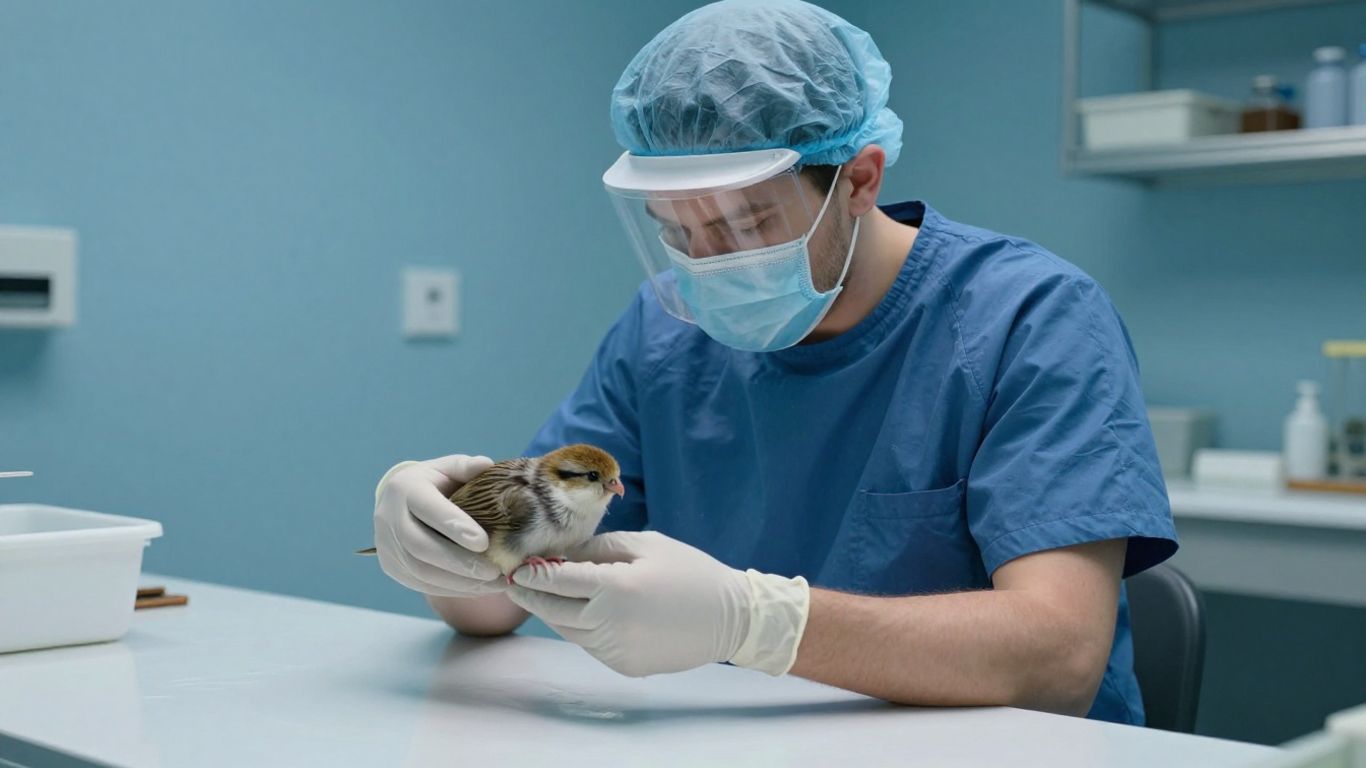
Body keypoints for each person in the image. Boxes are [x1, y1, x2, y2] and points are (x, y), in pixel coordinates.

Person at [371, 0, 1176, 725]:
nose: (707, 263)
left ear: (859, 179)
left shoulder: (1029, 318)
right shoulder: (662, 330)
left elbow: (1059, 661)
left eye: (745, 225)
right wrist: (444, 551)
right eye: (678, 233)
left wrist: (754, 621)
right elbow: (498, 606)